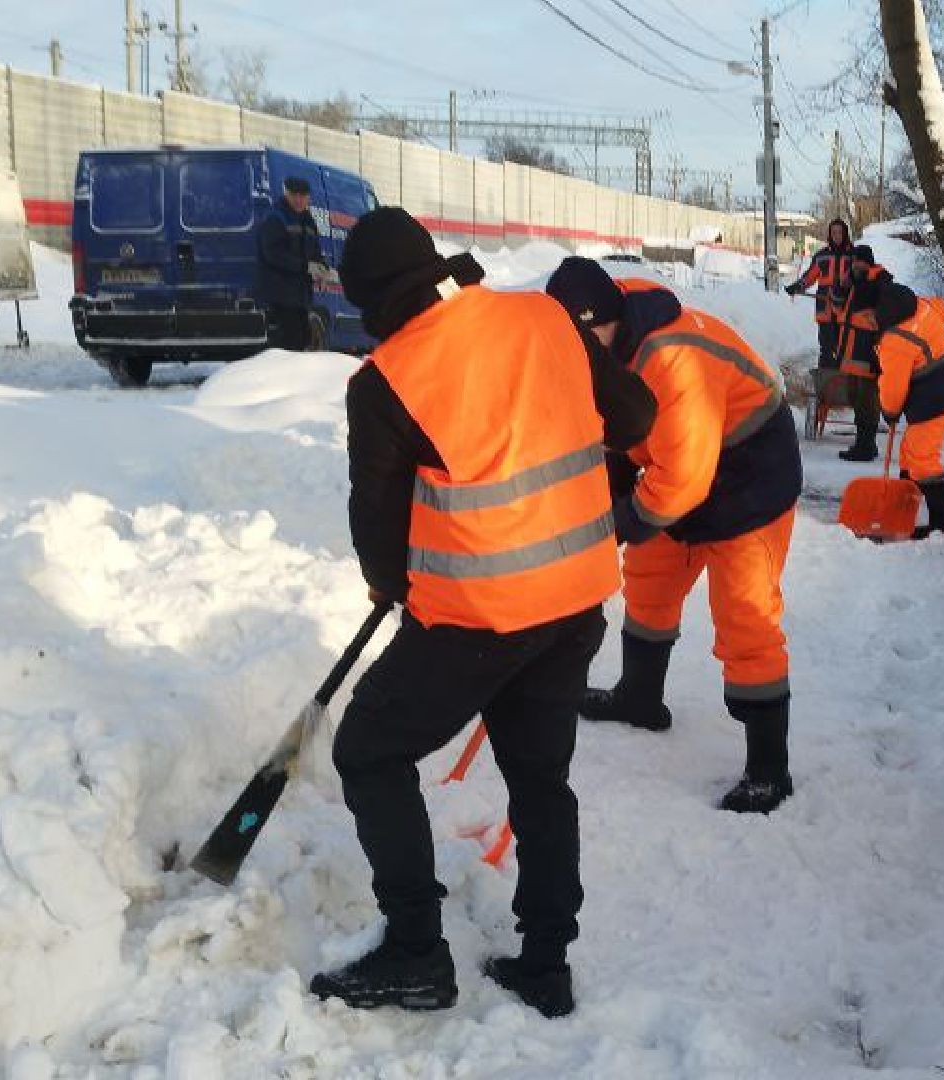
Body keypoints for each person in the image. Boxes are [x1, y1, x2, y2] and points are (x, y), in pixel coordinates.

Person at [311, 209, 656, 1020]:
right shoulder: (542, 316)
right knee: (541, 779)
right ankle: (545, 964)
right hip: (573, 599)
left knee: (367, 748)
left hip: (476, 619)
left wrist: (390, 583)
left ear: (368, 302)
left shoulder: (386, 381)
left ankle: (415, 954)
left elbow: (380, 537)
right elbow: (635, 419)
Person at [546, 257, 805, 815]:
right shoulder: (604, 344)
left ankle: (769, 770)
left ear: (605, 321)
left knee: (745, 614)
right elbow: (621, 434)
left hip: (751, 471)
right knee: (649, 577)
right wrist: (607, 487)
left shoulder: (671, 359)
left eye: (581, 338)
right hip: (683, 464)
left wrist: (617, 522)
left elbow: (682, 480)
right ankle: (640, 697)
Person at [870, 283, 944, 537]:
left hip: (934, 397)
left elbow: (893, 387)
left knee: (923, 457)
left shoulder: (896, 340)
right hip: (940, 388)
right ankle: (904, 507)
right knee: (909, 450)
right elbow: (942, 308)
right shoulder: (923, 307)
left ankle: (943, 525)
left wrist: (889, 412)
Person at [784, 220, 856, 432]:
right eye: (833, 232)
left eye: (839, 232)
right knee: (826, 350)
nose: (836, 236)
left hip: (845, 313)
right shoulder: (822, 256)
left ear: (845, 233)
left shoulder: (854, 256)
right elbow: (809, 277)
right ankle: (828, 389)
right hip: (825, 310)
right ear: (829, 234)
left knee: (844, 350)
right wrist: (798, 286)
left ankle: (846, 389)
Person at [836, 248, 895, 462]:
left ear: (867, 262)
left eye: (857, 262)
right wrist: (843, 285)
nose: (854, 266)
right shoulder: (855, 281)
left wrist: (857, 281)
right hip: (852, 352)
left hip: (868, 352)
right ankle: (862, 443)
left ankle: (866, 446)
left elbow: (877, 307)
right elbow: (839, 307)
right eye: (852, 262)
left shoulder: (879, 280)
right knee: (855, 399)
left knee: (867, 401)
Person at [257, 176, 326, 352]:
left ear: (308, 198)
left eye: (303, 196)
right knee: (288, 342)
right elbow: (272, 253)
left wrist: (321, 268)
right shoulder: (276, 218)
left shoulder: (308, 221)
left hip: (301, 296)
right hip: (280, 295)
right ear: (286, 194)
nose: (298, 200)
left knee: (304, 339)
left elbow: (315, 251)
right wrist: (305, 266)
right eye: (294, 195)